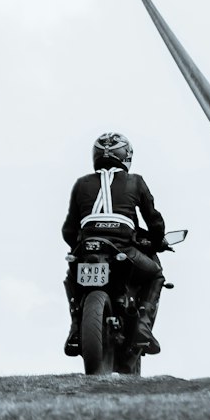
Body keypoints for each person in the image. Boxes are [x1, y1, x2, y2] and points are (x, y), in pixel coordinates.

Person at [62, 132, 166, 357]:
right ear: (125, 156)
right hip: (123, 249)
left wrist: (80, 245)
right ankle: (143, 327)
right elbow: (154, 220)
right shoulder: (136, 181)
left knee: (71, 277)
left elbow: (68, 230)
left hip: (87, 248)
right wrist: (158, 241)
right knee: (156, 273)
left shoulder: (81, 184)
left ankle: (75, 328)